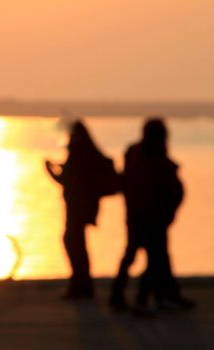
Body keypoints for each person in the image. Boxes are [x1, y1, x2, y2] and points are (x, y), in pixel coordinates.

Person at [110, 118, 194, 312]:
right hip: (152, 217)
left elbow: (125, 184)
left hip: (139, 216)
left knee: (140, 256)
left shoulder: (135, 154)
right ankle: (144, 298)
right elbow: (168, 188)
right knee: (155, 258)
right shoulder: (155, 159)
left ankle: (129, 296)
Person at [45, 120, 118, 299]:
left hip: (78, 206)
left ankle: (81, 286)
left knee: (73, 243)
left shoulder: (78, 151)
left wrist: (50, 171)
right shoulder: (86, 151)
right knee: (77, 244)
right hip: (83, 207)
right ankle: (81, 286)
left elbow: (69, 181)